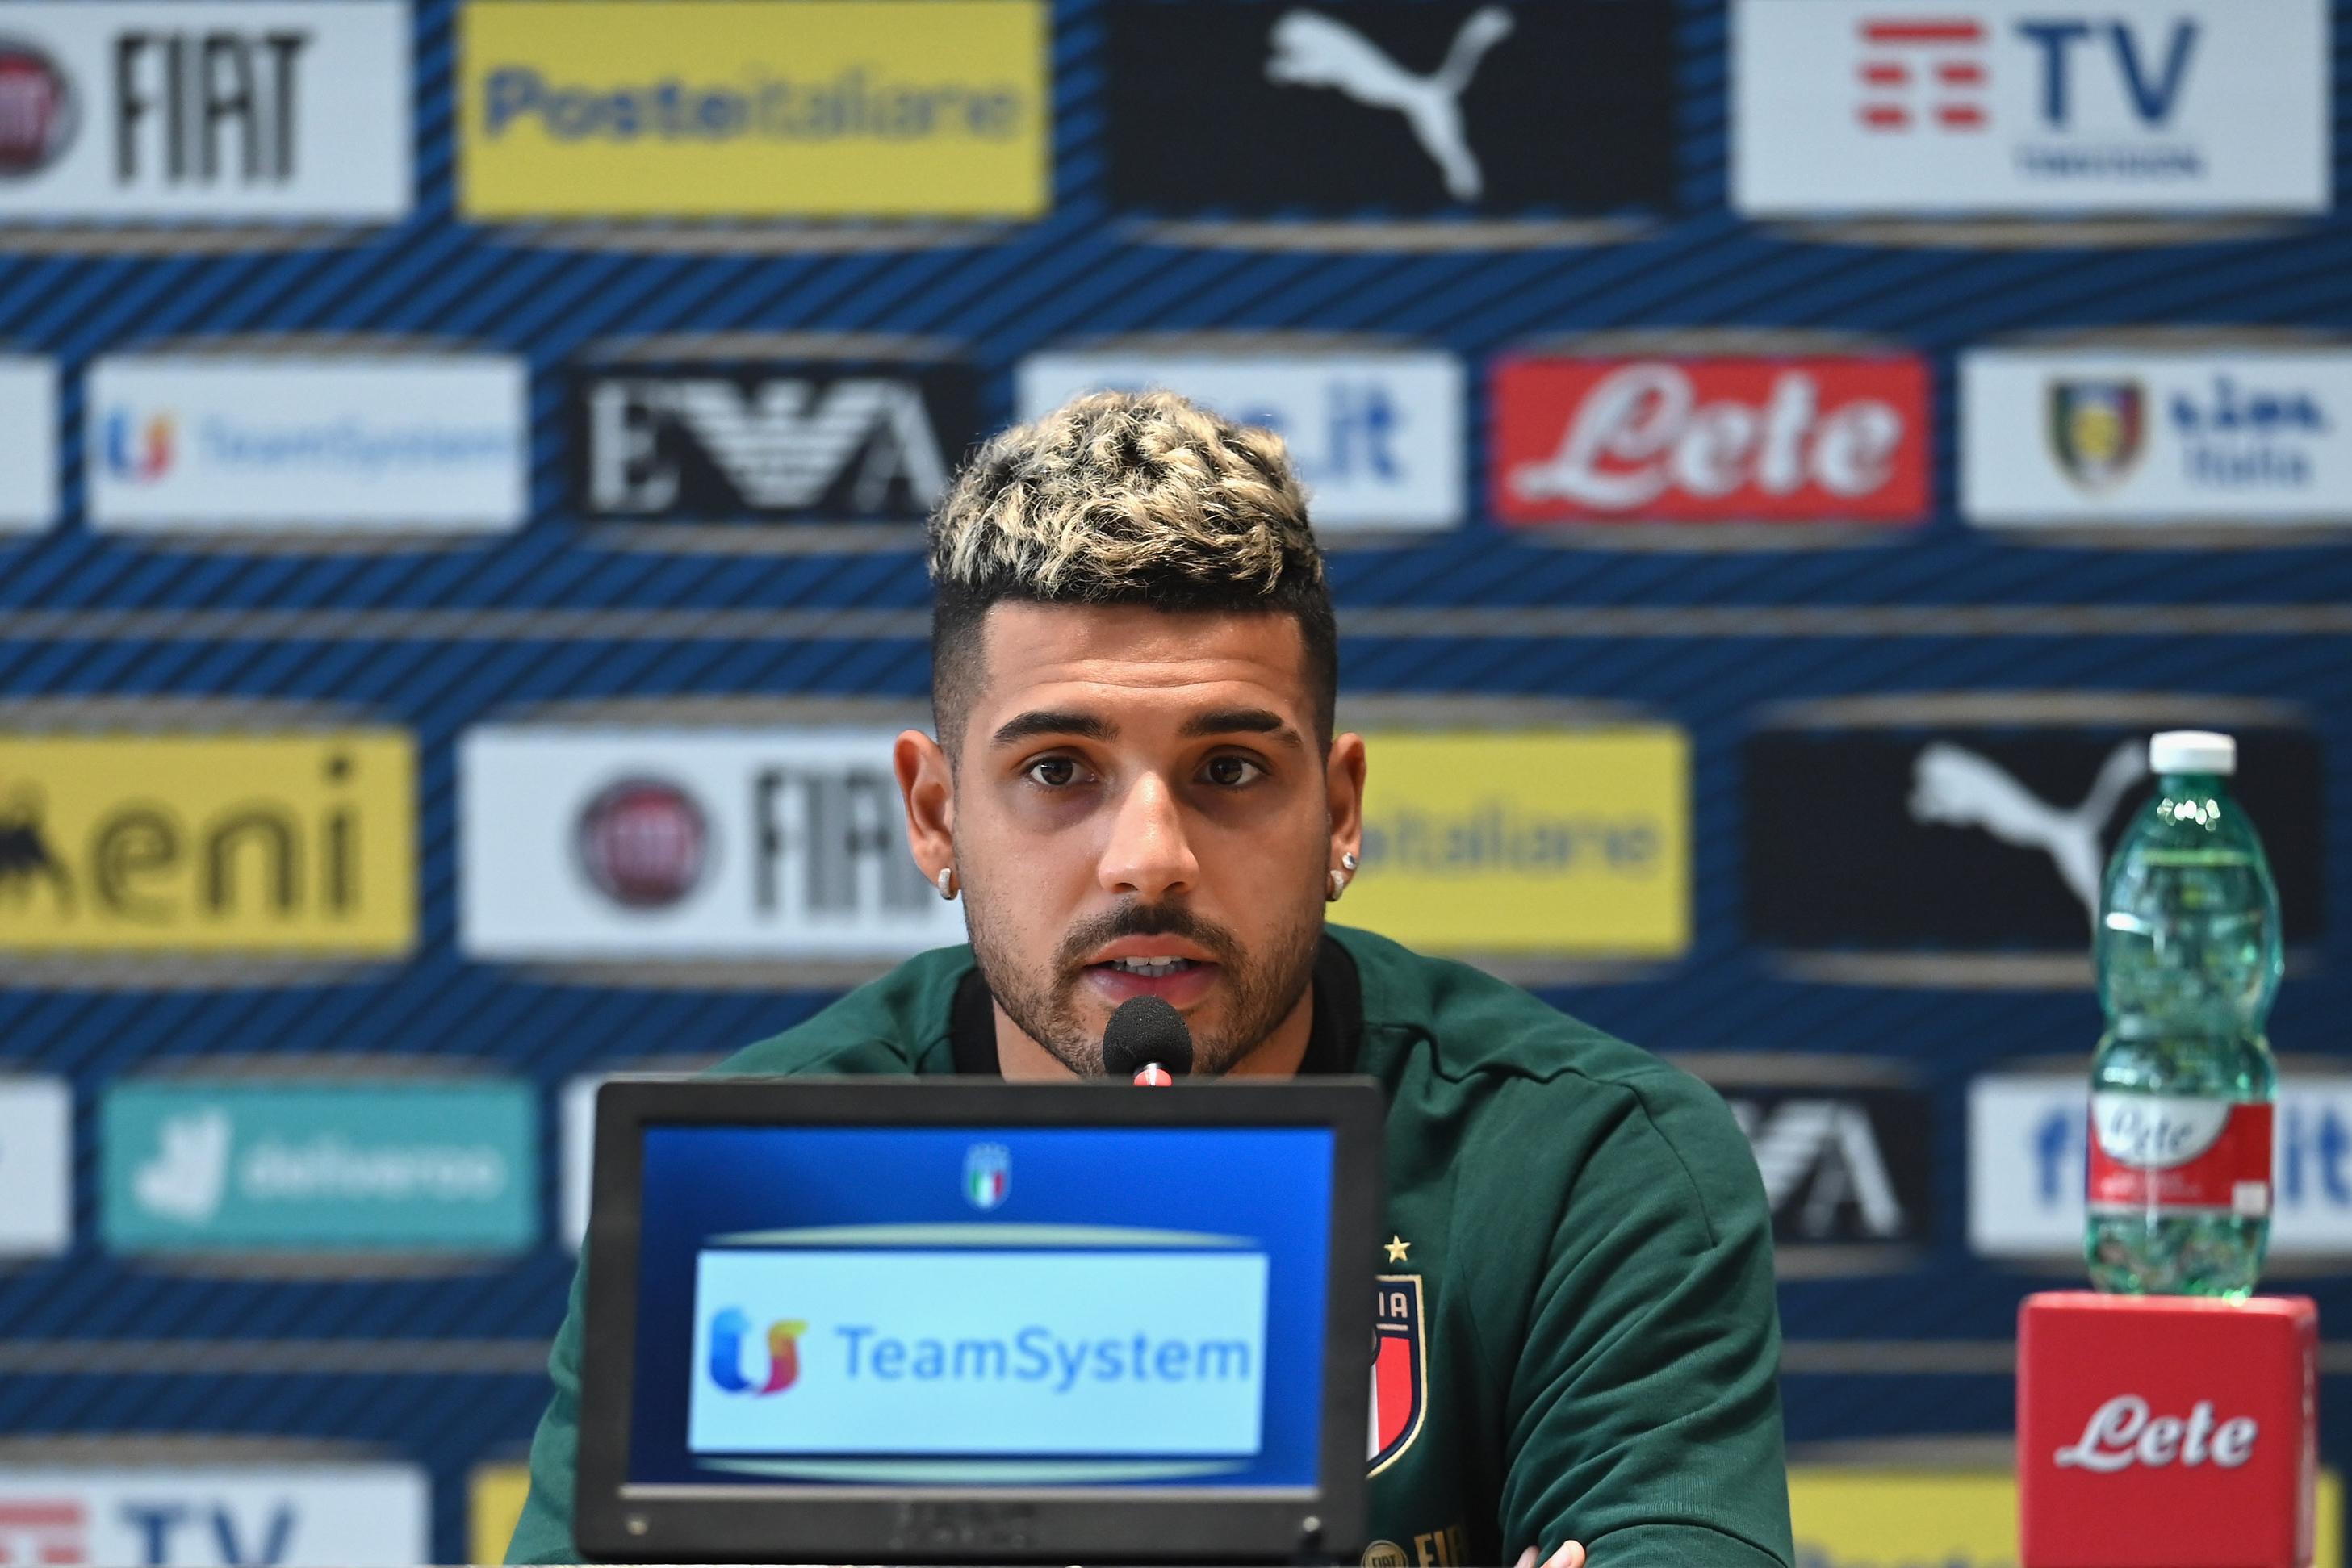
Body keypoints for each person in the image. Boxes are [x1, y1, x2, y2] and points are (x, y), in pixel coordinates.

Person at [505, 391, 1793, 1568]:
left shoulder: (1585, 1162)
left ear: (1338, 812)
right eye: (1058, 770)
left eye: (1230, 769)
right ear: (937, 813)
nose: (1151, 859)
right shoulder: (742, 1191)